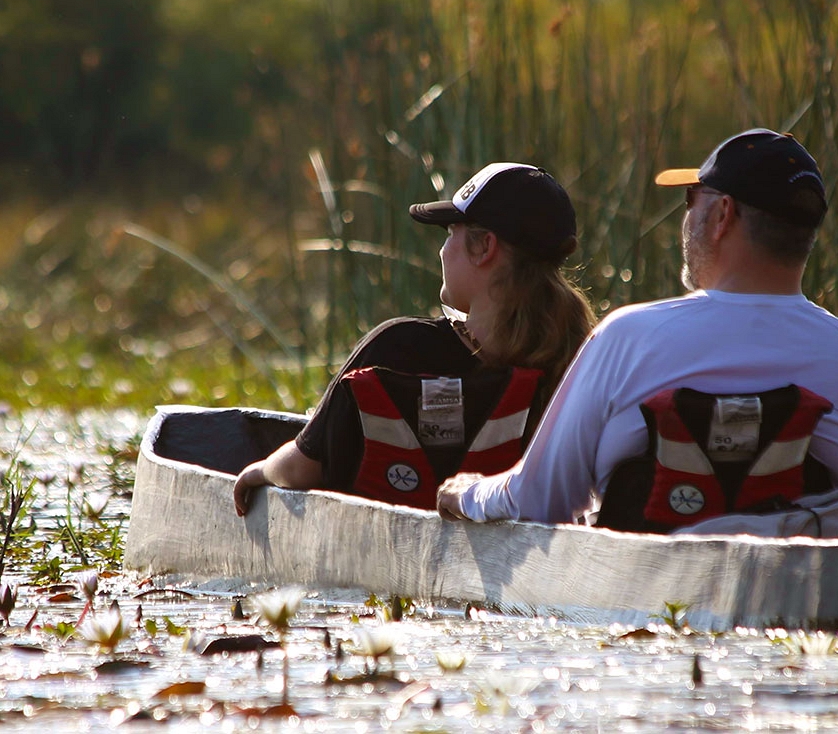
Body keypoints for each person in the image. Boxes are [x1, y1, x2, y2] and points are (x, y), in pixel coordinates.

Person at [437, 128, 838, 531]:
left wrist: (467, 492)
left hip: (646, 589)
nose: (687, 217)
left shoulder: (630, 337)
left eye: (691, 200)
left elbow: (537, 501)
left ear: (722, 216)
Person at [233, 162, 596, 516]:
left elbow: (300, 470)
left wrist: (261, 470)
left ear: (485, 246)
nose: (443, 250)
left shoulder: (397, 348)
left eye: (450, 231)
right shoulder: (581, 360)